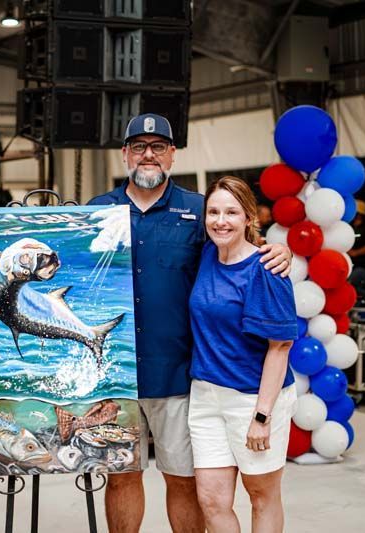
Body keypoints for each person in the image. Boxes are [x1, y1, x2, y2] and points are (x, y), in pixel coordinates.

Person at [87, 114, 292, 533]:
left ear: (172, 155)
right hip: (115, 374)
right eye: (139, 146)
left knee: (183, 480)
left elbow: (237, 244)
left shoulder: (199, 210)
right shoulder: (97, 212)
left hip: (180, 375)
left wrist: (279, 250)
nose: (149, 154)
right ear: (124, 153)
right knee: (122, 476)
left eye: (158, 146)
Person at [188, 176, 297, 533]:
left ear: (249, 218)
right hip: (206, 397)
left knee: (261, 496)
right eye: (214, 211)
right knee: (211, 501)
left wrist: (262, 416)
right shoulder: (207, 254)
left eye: (232, 212)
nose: (221, 220)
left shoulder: (266, 269)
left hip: (254, 397)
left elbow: (279, 348)